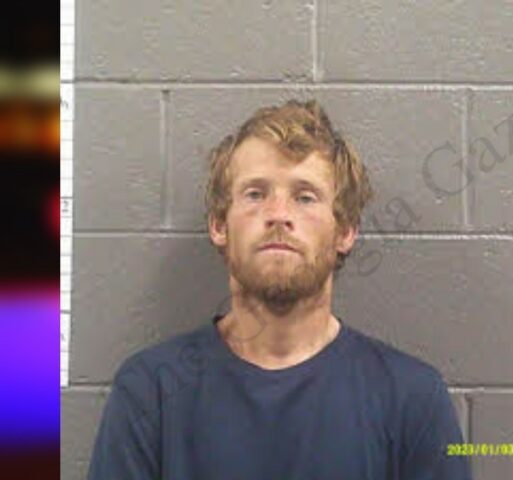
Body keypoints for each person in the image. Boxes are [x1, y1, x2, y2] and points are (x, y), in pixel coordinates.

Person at [86, 99, 472, 479]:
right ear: (219, 225)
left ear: (345, 231)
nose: (279, 215)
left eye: (305, 197)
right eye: (255, 194)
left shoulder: (412, 400)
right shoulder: (150, 393)